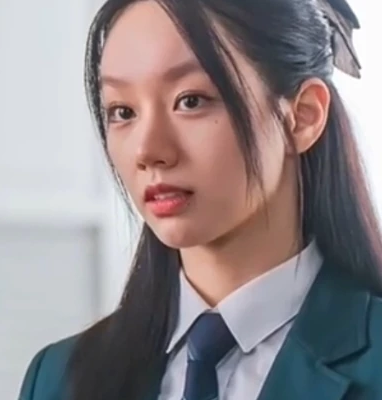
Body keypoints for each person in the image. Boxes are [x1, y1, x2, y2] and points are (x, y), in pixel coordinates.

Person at [19, 0, 382, 399]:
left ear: (304, 115)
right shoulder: (58, 378)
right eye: (123, 111)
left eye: (191, 100)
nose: (147, 151)